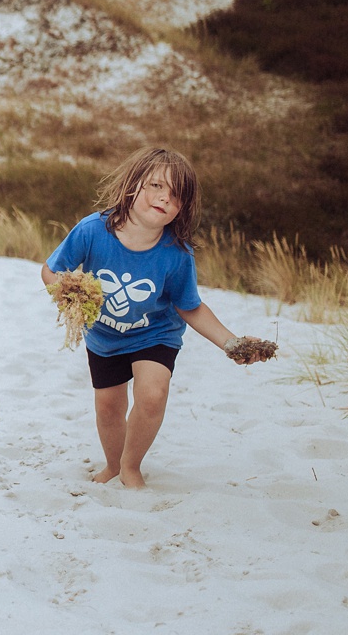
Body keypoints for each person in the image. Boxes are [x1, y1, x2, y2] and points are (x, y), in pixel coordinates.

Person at [41, 146, 266, 489]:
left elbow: (189, 306)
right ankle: (113, 465)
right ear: (133, 185)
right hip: (103, 335)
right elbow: (51, 271)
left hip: (155, 334)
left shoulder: (176, 253)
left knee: (152, 395)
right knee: (108, 408)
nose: (164, 198)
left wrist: (230, 342)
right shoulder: (91, 231)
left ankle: (131, 467)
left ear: (182, 209)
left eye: (176, 196)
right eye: (157, 186)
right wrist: (69, 293)